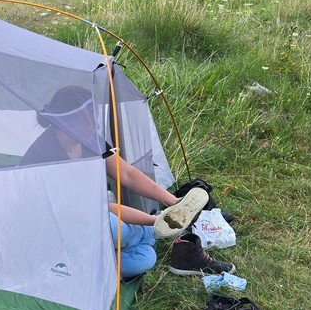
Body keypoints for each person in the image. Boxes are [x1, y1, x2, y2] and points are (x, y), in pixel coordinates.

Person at [22, 85, 235, 279]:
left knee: (146, 258)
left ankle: (80, 265)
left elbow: (126, 173)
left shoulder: (88, 139)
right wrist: (155, 222)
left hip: (85, 220)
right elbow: (97, 209)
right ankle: (157, 234)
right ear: (68, 121)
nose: (95, 123)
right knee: (120, 229)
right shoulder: (46, 157)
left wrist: (173, 201)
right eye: (89, 119)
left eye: (95, 117)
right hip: (55, 230)